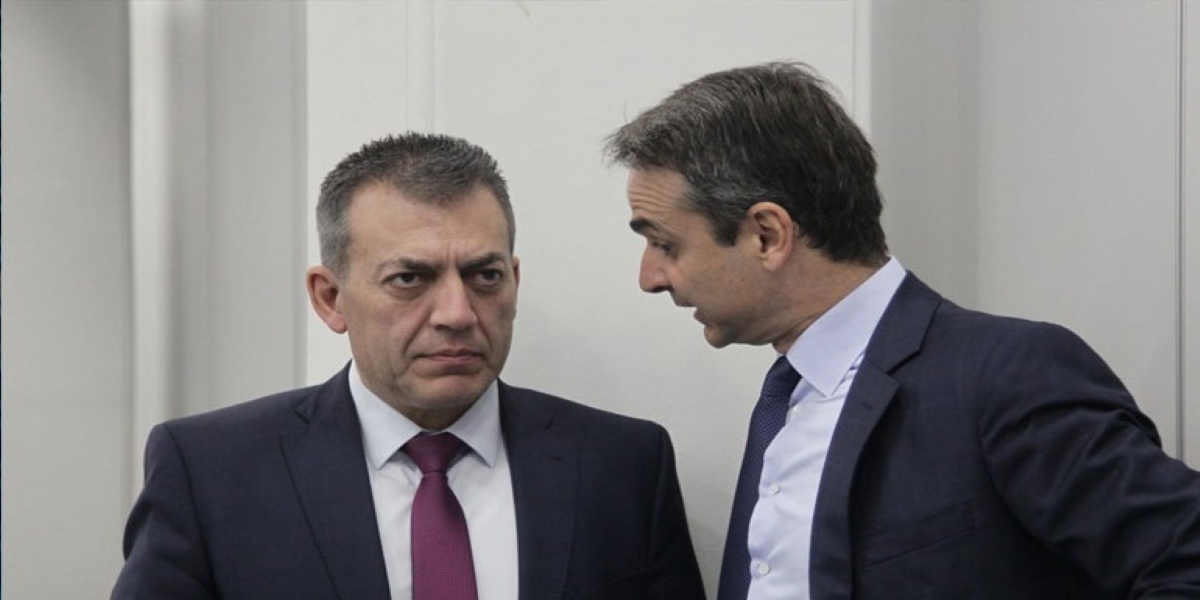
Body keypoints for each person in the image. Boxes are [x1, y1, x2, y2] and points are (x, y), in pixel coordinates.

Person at [604, 62, 1200, 599]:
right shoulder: (784, 404)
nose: (650, 278)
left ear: (768, 234)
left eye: (665, 245)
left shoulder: (1005, 375)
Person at [112, 133, 706, 600]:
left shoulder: (622, 466)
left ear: (514, 281)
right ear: (330, 298)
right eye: (408, 279)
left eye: (485, 276)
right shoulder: (214, 472)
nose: (457, 313)